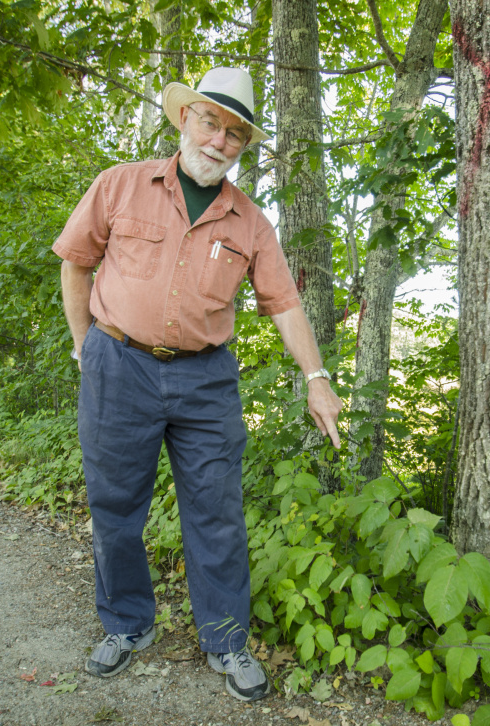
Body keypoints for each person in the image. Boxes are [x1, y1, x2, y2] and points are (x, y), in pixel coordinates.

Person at [52, 67, 342, 702]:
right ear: (185, 119)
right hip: (118, 364)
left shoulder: (251, 222)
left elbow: (285, 302)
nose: (220, 141)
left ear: (242, 146)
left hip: (206, 379)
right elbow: (76, 263)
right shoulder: (120, 185)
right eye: (211, 121)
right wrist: (85, 347)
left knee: (216, 512)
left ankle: (225, 638)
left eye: (235, 133)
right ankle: (127, 626)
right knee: (115, 505)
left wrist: (316, 378)